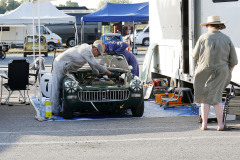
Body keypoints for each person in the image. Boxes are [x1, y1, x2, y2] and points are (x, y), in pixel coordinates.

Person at [192, 15, 238, 131]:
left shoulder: (202, 38)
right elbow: (234, 60)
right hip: (221, 70)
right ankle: (220, 125)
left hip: (204, 70)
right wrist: (228, 70)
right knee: (217, 98)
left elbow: (194, 55)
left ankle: (204, 125)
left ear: (208, 25)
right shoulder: (227, 39)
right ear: (219, 26)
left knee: (204, 98)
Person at [51, 43, 112, 115]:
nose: (97, 56)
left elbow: (92, 64)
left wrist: (96, 72)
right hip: (60, 64)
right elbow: (95, 64)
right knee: (57, 87)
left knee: (62, 87)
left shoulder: (87, 49)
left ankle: (61, 106)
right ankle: (55, 111)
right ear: (95, 49)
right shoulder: (86, 51)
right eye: (98, 54)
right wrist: (109, 73)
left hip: (65, 65)